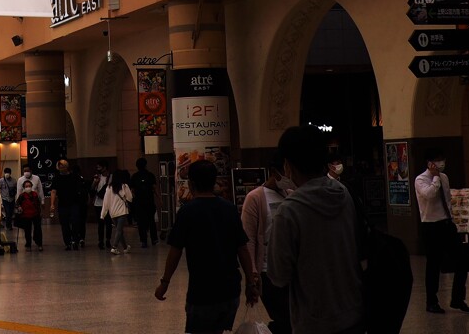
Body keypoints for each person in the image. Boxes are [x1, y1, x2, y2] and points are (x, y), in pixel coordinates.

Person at [267, 125, 364, 334]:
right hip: (353, 312)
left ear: (288, 165)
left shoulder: (289, 211)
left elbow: (278, 275)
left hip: (314, 320)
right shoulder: (343, 194)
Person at [155, 159, 259, 333]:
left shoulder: (187, 212)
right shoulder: (229, 209)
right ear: (214, 182)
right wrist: (250, 283)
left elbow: (175, 251)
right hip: (230, 290)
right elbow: (242, 248)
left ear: (191, 183)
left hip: (202, 292)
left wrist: (165, 283)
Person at [415, 149, 469, 314]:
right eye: (438, 160)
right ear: (430, 163)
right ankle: (432, 301)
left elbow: (448, 200)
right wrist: (435, 177)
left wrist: (454, 221)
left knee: (462, 260)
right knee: (433, 265)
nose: (441, 163)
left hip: (447, 224)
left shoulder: (445, 177)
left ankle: (458, 299)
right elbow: (429, 194)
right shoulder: (421, 180)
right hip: (431, 226)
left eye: (443, 159)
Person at [241, 156, 292, 334]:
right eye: (285, 172)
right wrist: (252, 274)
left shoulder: (291, 194)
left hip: (290, 269)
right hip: (267, 270)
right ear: (273, 172)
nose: (288, 176)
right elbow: (248, 239)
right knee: (283, 316)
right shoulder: (254, 198)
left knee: (291, 318)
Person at [49, 159, 84, 250]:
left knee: (75, 222)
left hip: (74, 203)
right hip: (63, 204)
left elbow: (80, 189)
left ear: (67, 167)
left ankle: (75, 240)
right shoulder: (57, 178)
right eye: (59, 168)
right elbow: (53, 191)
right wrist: (52, 204)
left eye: (63, 167)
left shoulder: (74, 176)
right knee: (64, 224)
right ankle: (67, 242)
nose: (61, 169)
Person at [101, 169, 132, 255]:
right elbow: (130, 198)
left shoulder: (109, 187)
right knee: (119, 230)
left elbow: (105, 202)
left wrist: (103, 214)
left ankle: (125, 247)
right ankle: (114, 247)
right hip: (122, 211)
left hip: (112, 213)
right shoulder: (124, 186)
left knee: (119, 230)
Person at [131, 157, 159, 248]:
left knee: (141, 222)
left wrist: (135, 200)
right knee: (151, 221)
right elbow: (154, 188)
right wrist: (160, 199)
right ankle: (154, 239)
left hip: (139, 203)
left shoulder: (134, 176)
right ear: (146, 165)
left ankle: (143, 241)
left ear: (137, 166)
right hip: (149, 202)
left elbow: (132, 191)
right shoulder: (150, 175)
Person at [15, 177, 43, 251]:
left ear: (32, 186)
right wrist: (19, 207)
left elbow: (38, 204)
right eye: (26, 186)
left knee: (38, 230)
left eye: (29, 186)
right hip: (26, 215)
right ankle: (28, 243)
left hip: (35, 214)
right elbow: (17, 204)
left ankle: (39, 243)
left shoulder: (35, 194)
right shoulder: (22, 196)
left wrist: (40, 213)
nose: (28, 187)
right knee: (27, 230)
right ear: (24, 187)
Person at [89, 162, 111, 249]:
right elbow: (91, 190)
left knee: (109, 223)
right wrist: (95, 182)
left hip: (109, 204)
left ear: (105, 167)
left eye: (100, 167)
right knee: (100, 224)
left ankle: (108, 240)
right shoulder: (97, 177)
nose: (98, 169)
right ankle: (100, 241)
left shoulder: (110, 177)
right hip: (98, 203)